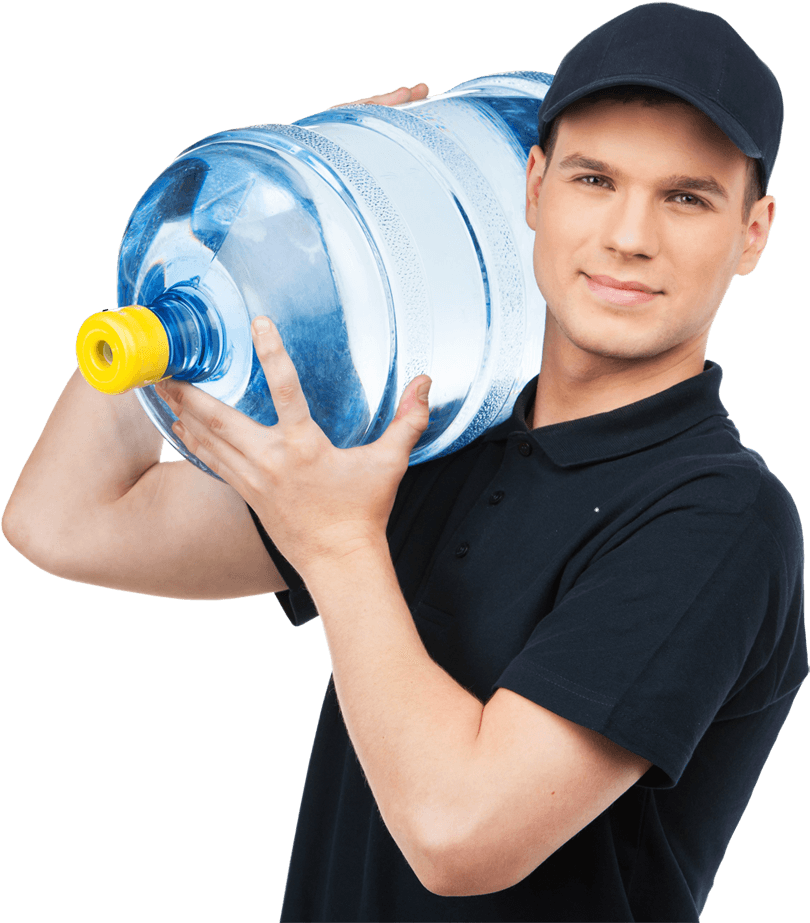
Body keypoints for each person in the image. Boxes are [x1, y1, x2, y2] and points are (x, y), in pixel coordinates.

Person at [3, 4, 806, 921]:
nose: (629, 235)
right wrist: (223, 248)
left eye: (686, 196)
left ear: (753, 233)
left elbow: (459, 835)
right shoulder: (426, 439)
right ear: (533, 189)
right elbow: (64, 519)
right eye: (594, 178)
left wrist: (342, 545)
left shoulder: (718, 515)